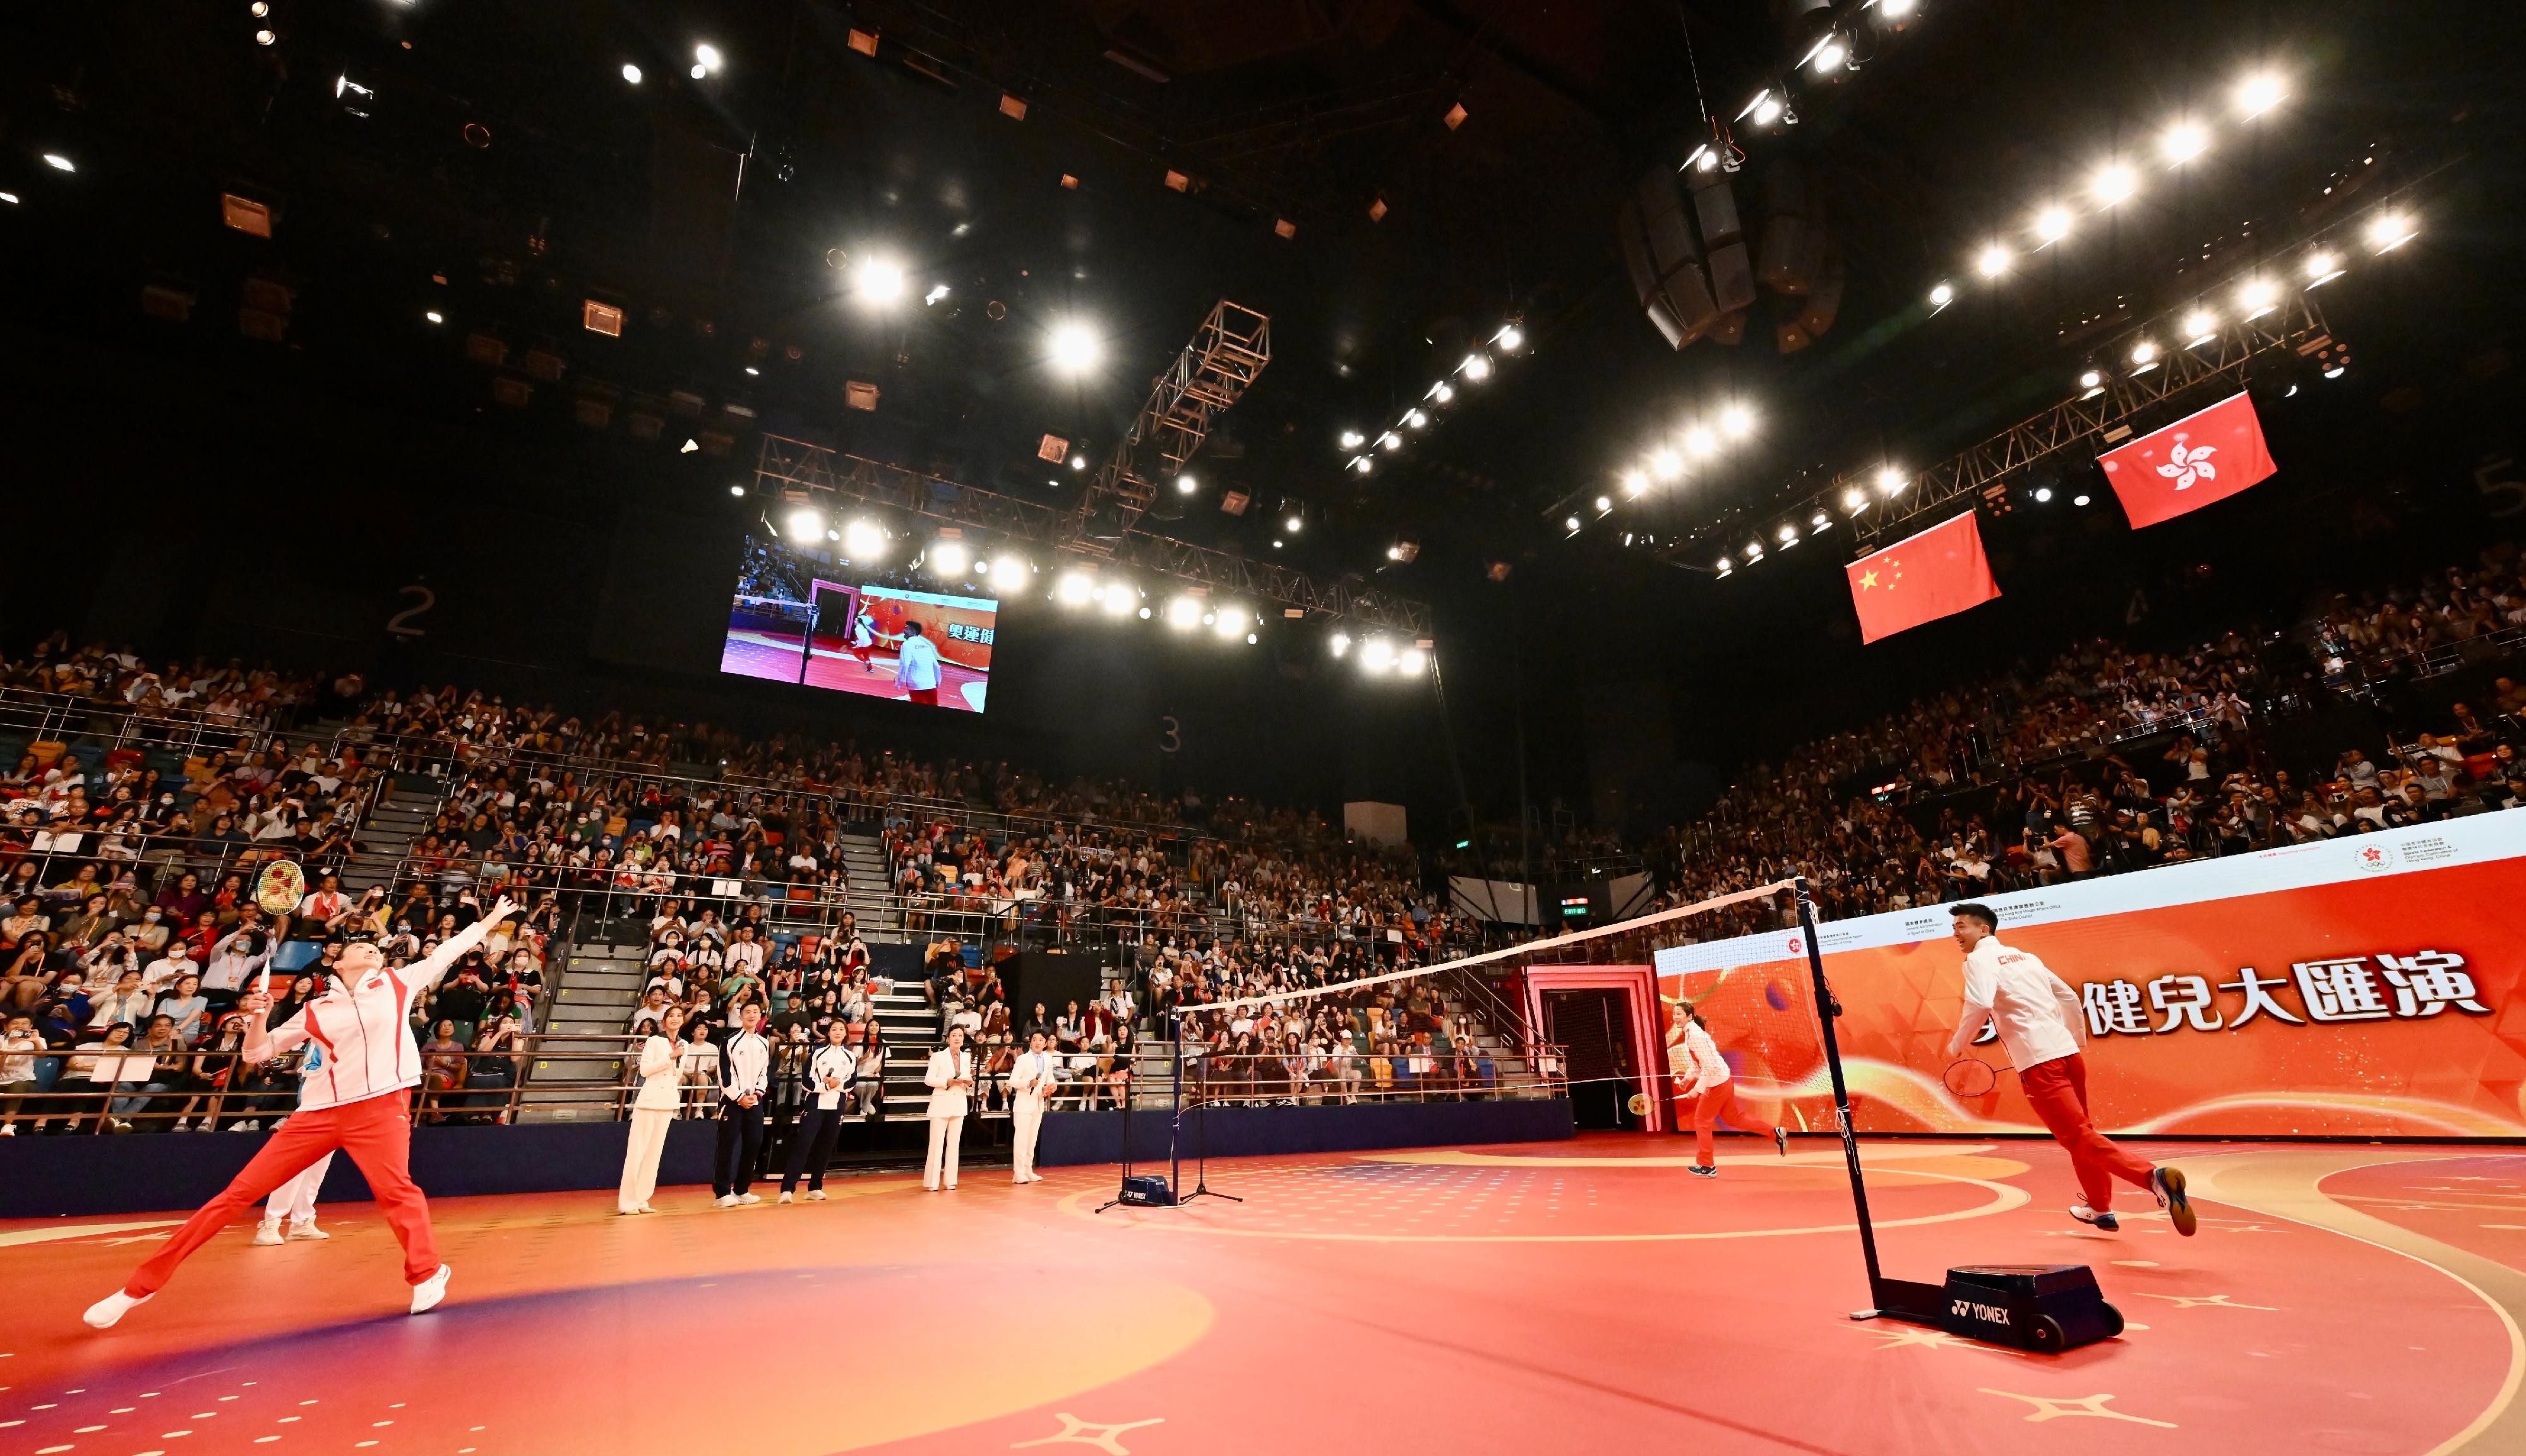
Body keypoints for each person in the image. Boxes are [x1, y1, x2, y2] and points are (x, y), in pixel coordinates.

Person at [83, 896, 522, 1330]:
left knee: (397, 1193)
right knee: (235, 1196)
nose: (373, 949)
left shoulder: (398, 984)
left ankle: (428, 1274)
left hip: (381, 1106)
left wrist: (491, 921)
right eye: (361, 947)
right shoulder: (315, 1010)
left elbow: (450, 950)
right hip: (318, 1113)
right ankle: (138, 1288)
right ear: (338, 963)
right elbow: (258, 1053)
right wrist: (258, 1017)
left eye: (376, 948)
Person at [1944, 902, 2194, 1235]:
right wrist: (2075, 1039)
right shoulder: (2027, 958)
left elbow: (1981, 1003)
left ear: (1984, 929)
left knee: (2078, 1137)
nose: (1956, 933)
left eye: (1962, 926)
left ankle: (2153, 1178)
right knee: (2082, 1135)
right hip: (2068, 1055)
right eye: (1954, 927)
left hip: (2038, 1061)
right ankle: (2101, 1208)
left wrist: (1956, 1045)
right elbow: (2069, 998)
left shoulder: (1977, 960)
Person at [1672, 1008, 1787, 1178]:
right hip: (1724, 1081)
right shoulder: (1691, 1033)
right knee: (1733, 1119)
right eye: (1674, 1014)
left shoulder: (1695, 1036)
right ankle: (1774, 1133)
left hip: (1717, 1084)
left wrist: (1696, 1091)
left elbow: (1709, 1067)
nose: (1676, 1017)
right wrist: (1688, 1079)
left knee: (1702, 1121)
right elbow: (1700, 1064)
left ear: (1689, 1016)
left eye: (1679, 1014)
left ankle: (1707, 1166)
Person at [618, 1006, 685, 1215]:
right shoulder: (655, 1041)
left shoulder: (684, 1044)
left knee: (654, 1154)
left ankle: (642, 1199)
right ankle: (627, 1202)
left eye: (679, 1016)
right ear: (664, 1022)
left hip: (667, 1103)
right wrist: (671, 1057)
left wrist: (676, 1056)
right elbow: (646, 1070)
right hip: (648, 1102)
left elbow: (677, 1076)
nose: (675, 1019)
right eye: (671, 1016)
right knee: (637, 1152)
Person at [779, 1020, 854, 1202]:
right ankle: (787, 1189)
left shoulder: (850, 1056)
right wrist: (826, 1086)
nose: (837, 1032)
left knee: (826, 1147)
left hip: (837, 1107)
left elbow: (852, 1081)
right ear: (828, 1033)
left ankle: (815, 1187)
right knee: (803, 1145)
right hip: (815, 1105)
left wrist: (838, 1084)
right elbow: (807, 1082)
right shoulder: (817, 1054)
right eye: (834, 1029)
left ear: (846, 1034)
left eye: (841, 1030)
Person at [712, 1000, 770, 1207]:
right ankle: (721, 1194)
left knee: (753, 1144)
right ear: (741, 1015)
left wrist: (757, 1094)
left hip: (754, 1102)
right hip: (732, 1102)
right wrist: (738, 1097)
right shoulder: (729, 1041)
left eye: (756, 1012)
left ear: (761, 1016)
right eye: (748, 1012)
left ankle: (741, 1189)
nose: (752, 1015)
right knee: (727, 1147)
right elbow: (724, 1075)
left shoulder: (764, 1043)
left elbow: (764, 1073)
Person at [922, 1024, 974, 1191]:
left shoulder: (966, 1057)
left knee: (954, 1144)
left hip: (959, 1102)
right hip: (941, 1102)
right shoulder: (938, 1057)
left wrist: (969, 1082)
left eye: (960, 1035)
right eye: (954, 1035)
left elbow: (966, 1077)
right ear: (949, 1038)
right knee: (936, 1143)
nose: (957, 1038)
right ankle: (932, 1182)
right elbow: (929, 1079)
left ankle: (950, 1180)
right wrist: (947, 1082)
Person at [1007, 1029, 1057, 1184]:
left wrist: (1052, 1086)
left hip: (1038, 1103)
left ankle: (1028, 1170)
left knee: (1032, 1140)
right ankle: (1018, 1173)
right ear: (1031, 1042)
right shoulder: (1023, 1059)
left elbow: (1050, 1079)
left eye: (1041, 1040)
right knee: (1021, 1140)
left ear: (1045, 1042)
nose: (1037, 1042)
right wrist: (1028, 1083)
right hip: (1023, 1103)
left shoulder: (1048, 1059)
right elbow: (1012, 1081)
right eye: (1035, 1039)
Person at [896, 620, 943, 708]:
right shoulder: (926, 645)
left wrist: (900, 681)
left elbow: (905, 665)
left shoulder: (907, 644)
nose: (904, 631)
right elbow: (936, 665)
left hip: (916, 685)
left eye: (906, 629)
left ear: (913, 631)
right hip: (930, 684)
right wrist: (937, 681)